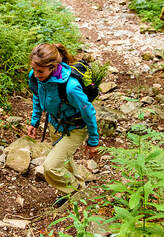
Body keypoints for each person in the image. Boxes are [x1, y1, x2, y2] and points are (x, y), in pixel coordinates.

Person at [27, 43, 99, 206]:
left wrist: (93, 141)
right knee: (64, 160)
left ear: (53, 67)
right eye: (34, 69)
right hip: (55, 124)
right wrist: (35, 121)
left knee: (50, 167)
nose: (36, 74)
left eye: (40, 71)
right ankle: (73, 188)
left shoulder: (71, 87)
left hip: (75, 128)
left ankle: (76, 191)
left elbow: (89, 111)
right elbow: (37, 96)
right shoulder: (36, 76)